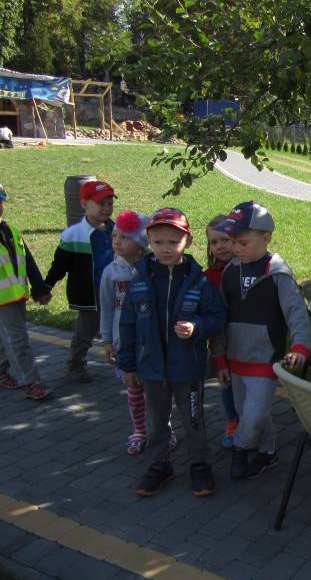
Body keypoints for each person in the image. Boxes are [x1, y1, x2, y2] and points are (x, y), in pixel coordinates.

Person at [118, 208, 226, 497]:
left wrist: (197, 327)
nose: (166, 248)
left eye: (173, 242)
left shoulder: (198, 281)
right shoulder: (140, 280)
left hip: (187, 369)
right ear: (148, 242)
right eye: (158, 242)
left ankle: (199, 464)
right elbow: (127, 324)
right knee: (157, 423)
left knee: (193, 421)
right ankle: (160, 464)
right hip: (151, 369)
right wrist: (128, 366)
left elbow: (217, 317)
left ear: (187, 241)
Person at [212, 201, 311, 481]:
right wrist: (219, 357)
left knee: (253, 415)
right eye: (232, 241)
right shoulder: (230, 271)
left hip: (266, 358)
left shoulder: (277, 272)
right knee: (250, 411)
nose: (235, 248)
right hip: (236, 357)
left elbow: (296, 312)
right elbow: (221, 317)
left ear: (266, 237)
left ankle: (241, 449)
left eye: (242, 242)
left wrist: (300, 345)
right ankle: (268, 451)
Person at [99, 210, 178, 454]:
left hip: (152, 343)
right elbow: (106, 308)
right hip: (125, 344)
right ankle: (139, 430)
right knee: (134, 389)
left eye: (125, 237)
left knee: (159, 392)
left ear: (142, 243)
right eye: (115, 236)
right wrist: (107, 340)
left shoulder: (155, 270)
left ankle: (165, 430)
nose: (117, 242)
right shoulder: (111, 273)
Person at [45, 180, 116, 382]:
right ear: (84, 204)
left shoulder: (117, 229)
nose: (107, 208)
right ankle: (76, 365)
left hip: (115, 289)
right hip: (90, 293)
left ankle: (126, 363)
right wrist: (46, 286)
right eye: (101, 204)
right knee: (87, 330)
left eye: (110, 203)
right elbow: (60, 265)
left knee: (122, 325)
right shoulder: (73, 235)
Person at [0, 184, 53, 400]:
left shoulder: (11, 232)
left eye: (0, 200)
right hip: (4, 299)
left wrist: (40, 289)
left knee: (8, 337)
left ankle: (2, 372)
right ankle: (31, 382)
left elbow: (28, 261)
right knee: (17, 339)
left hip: (14, 295)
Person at [204, 214, 239, 448]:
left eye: (225, 240)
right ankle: (233, 421)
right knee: (227, 384)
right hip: (221, 343)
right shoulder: (209, 277)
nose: (220, 246)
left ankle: (250, 423)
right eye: (214, 242)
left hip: (247, 341)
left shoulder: (249, 269)